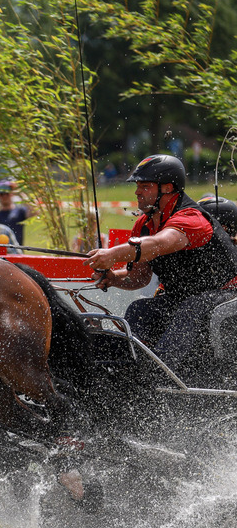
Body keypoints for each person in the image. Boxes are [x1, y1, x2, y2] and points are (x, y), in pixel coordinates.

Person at [83, 154, 237, 380]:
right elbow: (140, 278)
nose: (137, 192)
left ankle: (158, 375)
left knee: (193, 307)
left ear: (168, 188)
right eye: (137, 186)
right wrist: (114, 278)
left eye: (145, 186)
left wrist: (113, 253)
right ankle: (127, 367)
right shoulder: (143, 224)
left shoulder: (192, 219)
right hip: (187, 297)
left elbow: (159, 243)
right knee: (140, 309)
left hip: (227, 295)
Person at [0, 179, 29, 244]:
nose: (4, 196)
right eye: (1, 194)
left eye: (7, 193)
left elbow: (34, 211)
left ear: (12, 194)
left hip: (16, 251)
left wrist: (19, 191)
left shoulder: (19, 211)